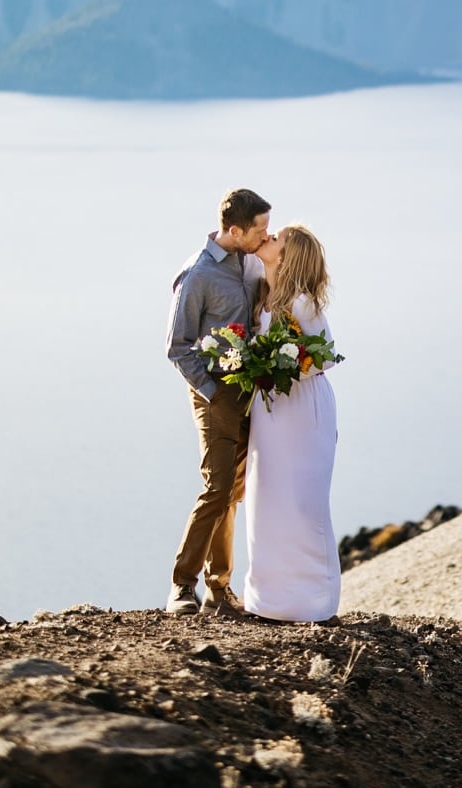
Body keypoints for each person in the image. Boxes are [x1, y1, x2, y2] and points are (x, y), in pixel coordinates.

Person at [164, 187, 271, 615]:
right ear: (234, 230)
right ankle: (180, 587)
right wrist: (213, 394)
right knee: (217, 489)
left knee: (233, 492)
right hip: (215, 393)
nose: (267, 234)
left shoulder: (249, 261)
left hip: (249, 392)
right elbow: (177, 347)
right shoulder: (198, 275)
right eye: (260, 228)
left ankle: (219, 589)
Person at [243, 224, 342, 622]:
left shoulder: (304, 304)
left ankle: (311, 601)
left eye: (275, 240)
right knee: (266, 497)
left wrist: (282, 365)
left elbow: (325, 358)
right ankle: (269, 599)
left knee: (301, 503)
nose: (267, 240)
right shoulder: (265, 295)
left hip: (302, 409)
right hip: (270, 412)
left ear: (287, 257)